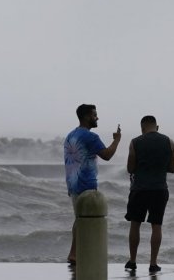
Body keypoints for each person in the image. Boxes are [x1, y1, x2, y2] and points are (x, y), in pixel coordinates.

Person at [64, 104, 121, 265]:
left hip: (72, 184)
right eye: (95, 115)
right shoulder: (91, 137)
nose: (97, 117)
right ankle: (79, 254)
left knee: (79, 219)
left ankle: (74, 253)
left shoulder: (71, 135)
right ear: (87, 116)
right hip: (86, 184)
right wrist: (116, 140)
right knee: (86, 220)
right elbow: (107, 155)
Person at [124, 115, 174, 273]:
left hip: (139, 189)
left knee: (135, 224)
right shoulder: (170, 142)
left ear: (142, 128)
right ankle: (153, 263)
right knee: (156, 225)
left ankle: (133, 261)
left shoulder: (135, 142)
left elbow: (130, 168)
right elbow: (173, 168)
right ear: (157, 127)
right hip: (160, 189)